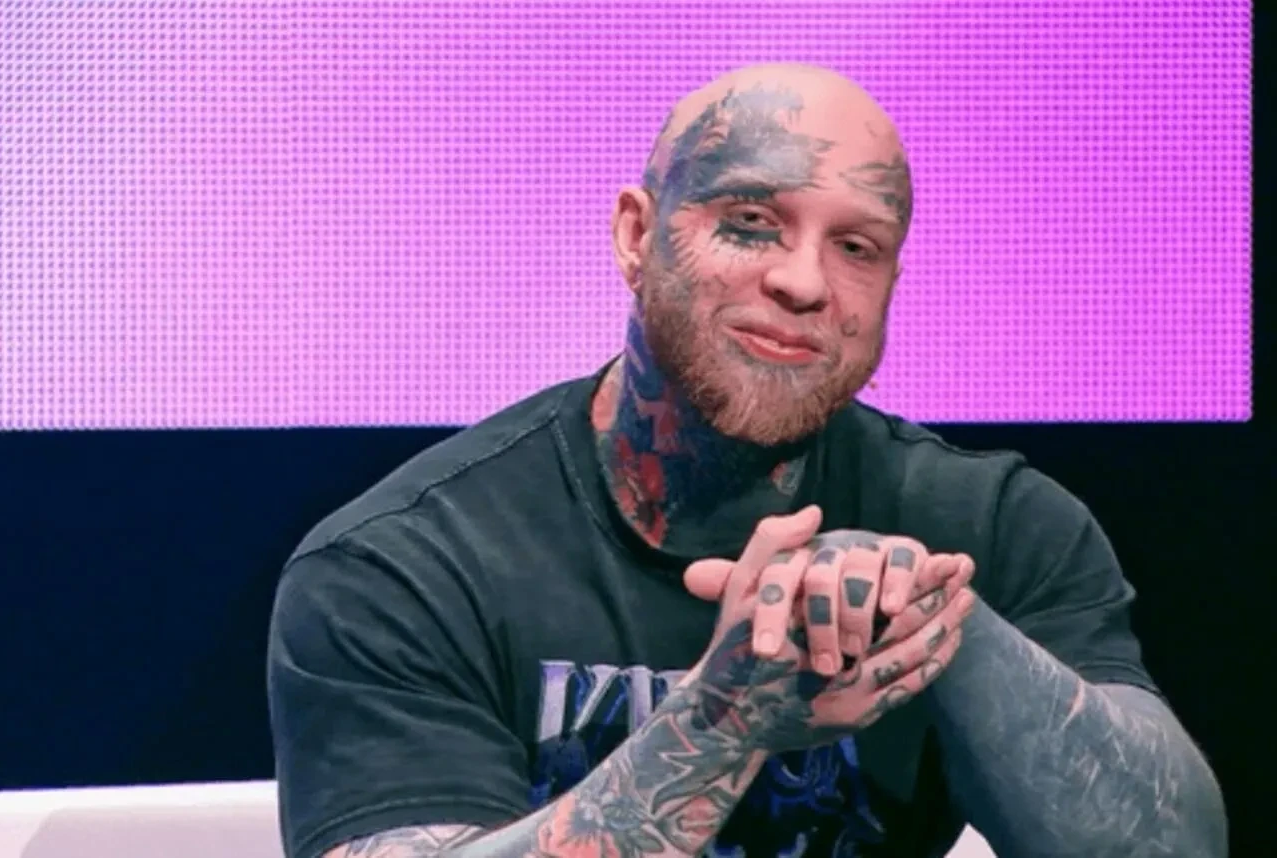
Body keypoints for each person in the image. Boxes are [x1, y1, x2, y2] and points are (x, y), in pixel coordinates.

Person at [266, 63, 1227, 858]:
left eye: (856, 246)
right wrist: (727, 713)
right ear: (636, 236)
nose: (804, 282)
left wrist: (943, 624)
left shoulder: (993, 528)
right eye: (751, 221)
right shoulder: (405, 565)